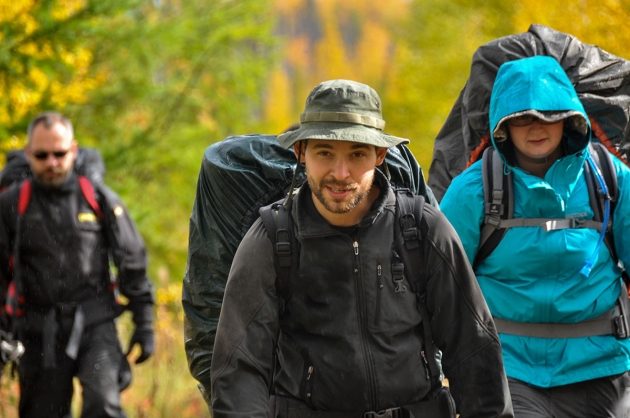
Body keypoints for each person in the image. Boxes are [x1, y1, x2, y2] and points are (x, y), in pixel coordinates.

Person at [210, 79, 513, 417]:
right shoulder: (273, 239)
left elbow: (473, 349)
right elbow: (240, 371)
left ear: (380, 155)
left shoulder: (421, 229)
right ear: (301, 153)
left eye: (357, 154)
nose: (341, 173)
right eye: (325, 153)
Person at [440, 55, 630, 417]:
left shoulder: (609, 178)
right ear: (503, 126)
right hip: (507, 370)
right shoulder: (474, 191)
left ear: (567, 116)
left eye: (548, 114)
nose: (536, 127)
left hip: (602, 369)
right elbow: (441, 285)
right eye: (522, 118)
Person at [0, 112, 155, 418]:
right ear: (29, 154)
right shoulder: (11, 205)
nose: (52, 163)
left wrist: (145, 322)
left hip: (95, 320)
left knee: (103, 404)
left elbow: (131, 258)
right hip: (37, 328)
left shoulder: (96, 198)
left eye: (59, 153)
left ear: (73, 150)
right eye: (42, 155)